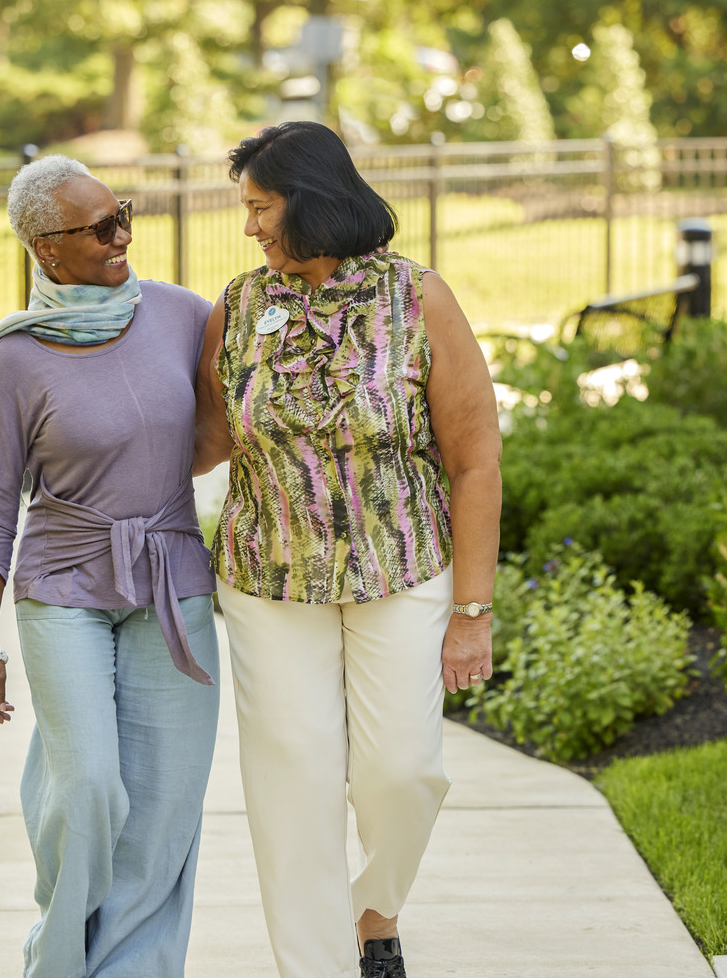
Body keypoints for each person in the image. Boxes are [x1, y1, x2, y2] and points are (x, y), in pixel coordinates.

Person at [194, 122, 503, 978]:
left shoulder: (419, 299)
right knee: (290, 787)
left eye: (260, 207)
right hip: (269, 577)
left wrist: (472, 612)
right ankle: (319, 965)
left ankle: (374, 910)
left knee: (402, 774)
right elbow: (205, 441)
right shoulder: (239, 307)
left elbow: (475, 460)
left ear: (310, 200)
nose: (250, 227)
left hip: (400, 566)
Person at [0, 155, 221, 978]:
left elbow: (239, 420)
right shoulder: (16, 357)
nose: (122, 237)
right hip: (63, 586)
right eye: (100, 228)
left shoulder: (181, 315)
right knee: (92, 787)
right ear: (44, 248)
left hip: (174, 581)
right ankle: (59, 959)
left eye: (123, 214)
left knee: (165, 809)